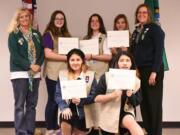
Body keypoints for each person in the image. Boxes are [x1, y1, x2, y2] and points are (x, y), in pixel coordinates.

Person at [8, 8, 44, 135]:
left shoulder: (36, 34)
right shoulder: (13, 35)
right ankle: (21, 132)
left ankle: (30, 130)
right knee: (19, 105)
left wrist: (38, 65)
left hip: (35, 75)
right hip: (20, 74)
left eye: (26, 17)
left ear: (30, 18)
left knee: (31, 105)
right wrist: (30, 65)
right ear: (17, 19)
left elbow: (42, 53)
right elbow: (15, 56)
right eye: (21, 17)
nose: (24, 19)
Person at [130, 4, 165, 135]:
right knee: (144, 104)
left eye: (144, 12)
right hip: (140, 72)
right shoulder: (137, 31)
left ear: (149, 14)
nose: (141, 15)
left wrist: (154, 72)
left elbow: (159, 51)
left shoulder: (155, 29)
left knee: (153, 104)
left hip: (152, 71)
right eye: (139, 13)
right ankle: (149, 131)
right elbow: (133, 52)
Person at [93, 51, 144, 135]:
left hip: (126, 111)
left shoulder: (136, 81)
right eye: (122, 60)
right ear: (117, 63)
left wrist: (131, 95)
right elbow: (96, 98)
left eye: (127, 60)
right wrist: (113, 95)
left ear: (131, 64)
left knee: (134, 127)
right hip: (108, 112)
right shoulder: (106, 77)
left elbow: (136, 102)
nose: (125, 63)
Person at [55, 49, 97, 135]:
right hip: (67, 110)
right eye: (72, 60)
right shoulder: (62, 74)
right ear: (68, 61)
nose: (75, 62)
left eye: (78, 60)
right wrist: (64, 107)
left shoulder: (90, 75)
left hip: (84, 112)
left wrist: (81, 100)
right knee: (65, 119)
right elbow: (58, 94)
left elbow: (94, 96)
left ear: (82, 61)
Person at [43, 10, 71, 135]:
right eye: (57, 18)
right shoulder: (48, 35)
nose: (59, 20)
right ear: (52, 20)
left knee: (61, 100)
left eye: (62, 19)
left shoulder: (67, 36)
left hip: (65, 73)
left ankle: (56, 126)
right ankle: (50, 128)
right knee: (53, 100)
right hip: (53, 73)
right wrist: (66, 57)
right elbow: (48, 54)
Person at [84, 13, 112, 81]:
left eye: (97, 21)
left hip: (101, 74)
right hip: (88, 73)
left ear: (100, 23)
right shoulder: (85, 38)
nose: (94, 23)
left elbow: (109, 57)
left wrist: (92, 56)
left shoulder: (105, 37)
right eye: (92, 21)